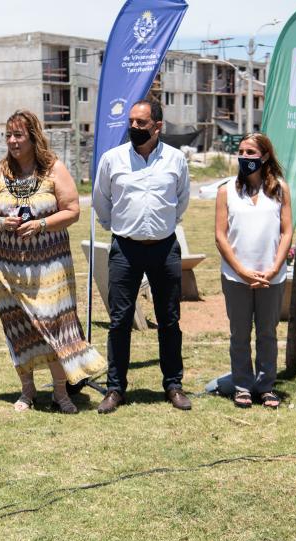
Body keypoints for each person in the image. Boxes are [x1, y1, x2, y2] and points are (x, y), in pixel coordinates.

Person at [0, 109, 105, 414]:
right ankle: (28, 391)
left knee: (55, 324)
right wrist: (1, 223)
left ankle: (61, 393)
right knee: (19, 327)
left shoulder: (53, 170)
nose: (12, 140)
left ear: (34, 137)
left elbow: (72, 210)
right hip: (8, 268)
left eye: (18, 135)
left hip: (50, 266)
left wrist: (42, 224)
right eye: (8, 135)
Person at [92, 99, 191, 414]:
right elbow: (101, 200)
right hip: (125, 248)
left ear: (157, 126)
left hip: (165, 248)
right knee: (120, 321)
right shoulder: (112, 159)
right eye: (131, 121)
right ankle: (115, 389)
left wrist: (161, 227)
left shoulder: (176, 160)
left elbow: (182, 199)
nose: (134, 127)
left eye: (141, 123)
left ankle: (173, 385)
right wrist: (120, 228)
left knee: (169, 320)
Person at [214, 133, 292, 409]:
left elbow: (286, 232)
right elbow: (220, 236)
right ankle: (243, 385)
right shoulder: (226, 190)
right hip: (237, 277)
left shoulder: (280, 188)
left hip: (272, 276)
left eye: (251, 152)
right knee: (240, 334)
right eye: (242, 152)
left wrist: (273, 269)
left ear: (265, 156)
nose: (245, 157)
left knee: (268, 333)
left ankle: (266, 385)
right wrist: (242, 271)